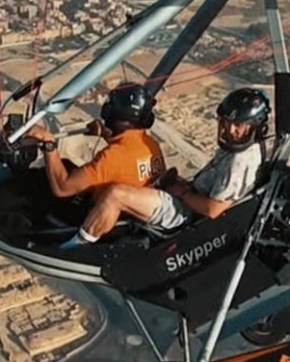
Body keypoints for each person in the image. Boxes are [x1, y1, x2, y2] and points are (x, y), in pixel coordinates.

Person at [60, 87, 270, 249]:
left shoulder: (241, 159)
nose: (230, 130)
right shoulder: (242, 149)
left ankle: (76, 246)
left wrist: (183, 193)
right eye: (226, 123)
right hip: (188, 201)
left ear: (255, 125)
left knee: (116, 193)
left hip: (187, 215)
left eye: (238, 126)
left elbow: (213, 210)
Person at [23, 81, 166, 202]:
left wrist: (48, 143)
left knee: (37, 181)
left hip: (91, 216)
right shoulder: (151, 145)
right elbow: (126, 160)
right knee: (65, 165)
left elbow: (62, 189)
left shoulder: (112, 157)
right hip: (127, 217)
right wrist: (106, 135)